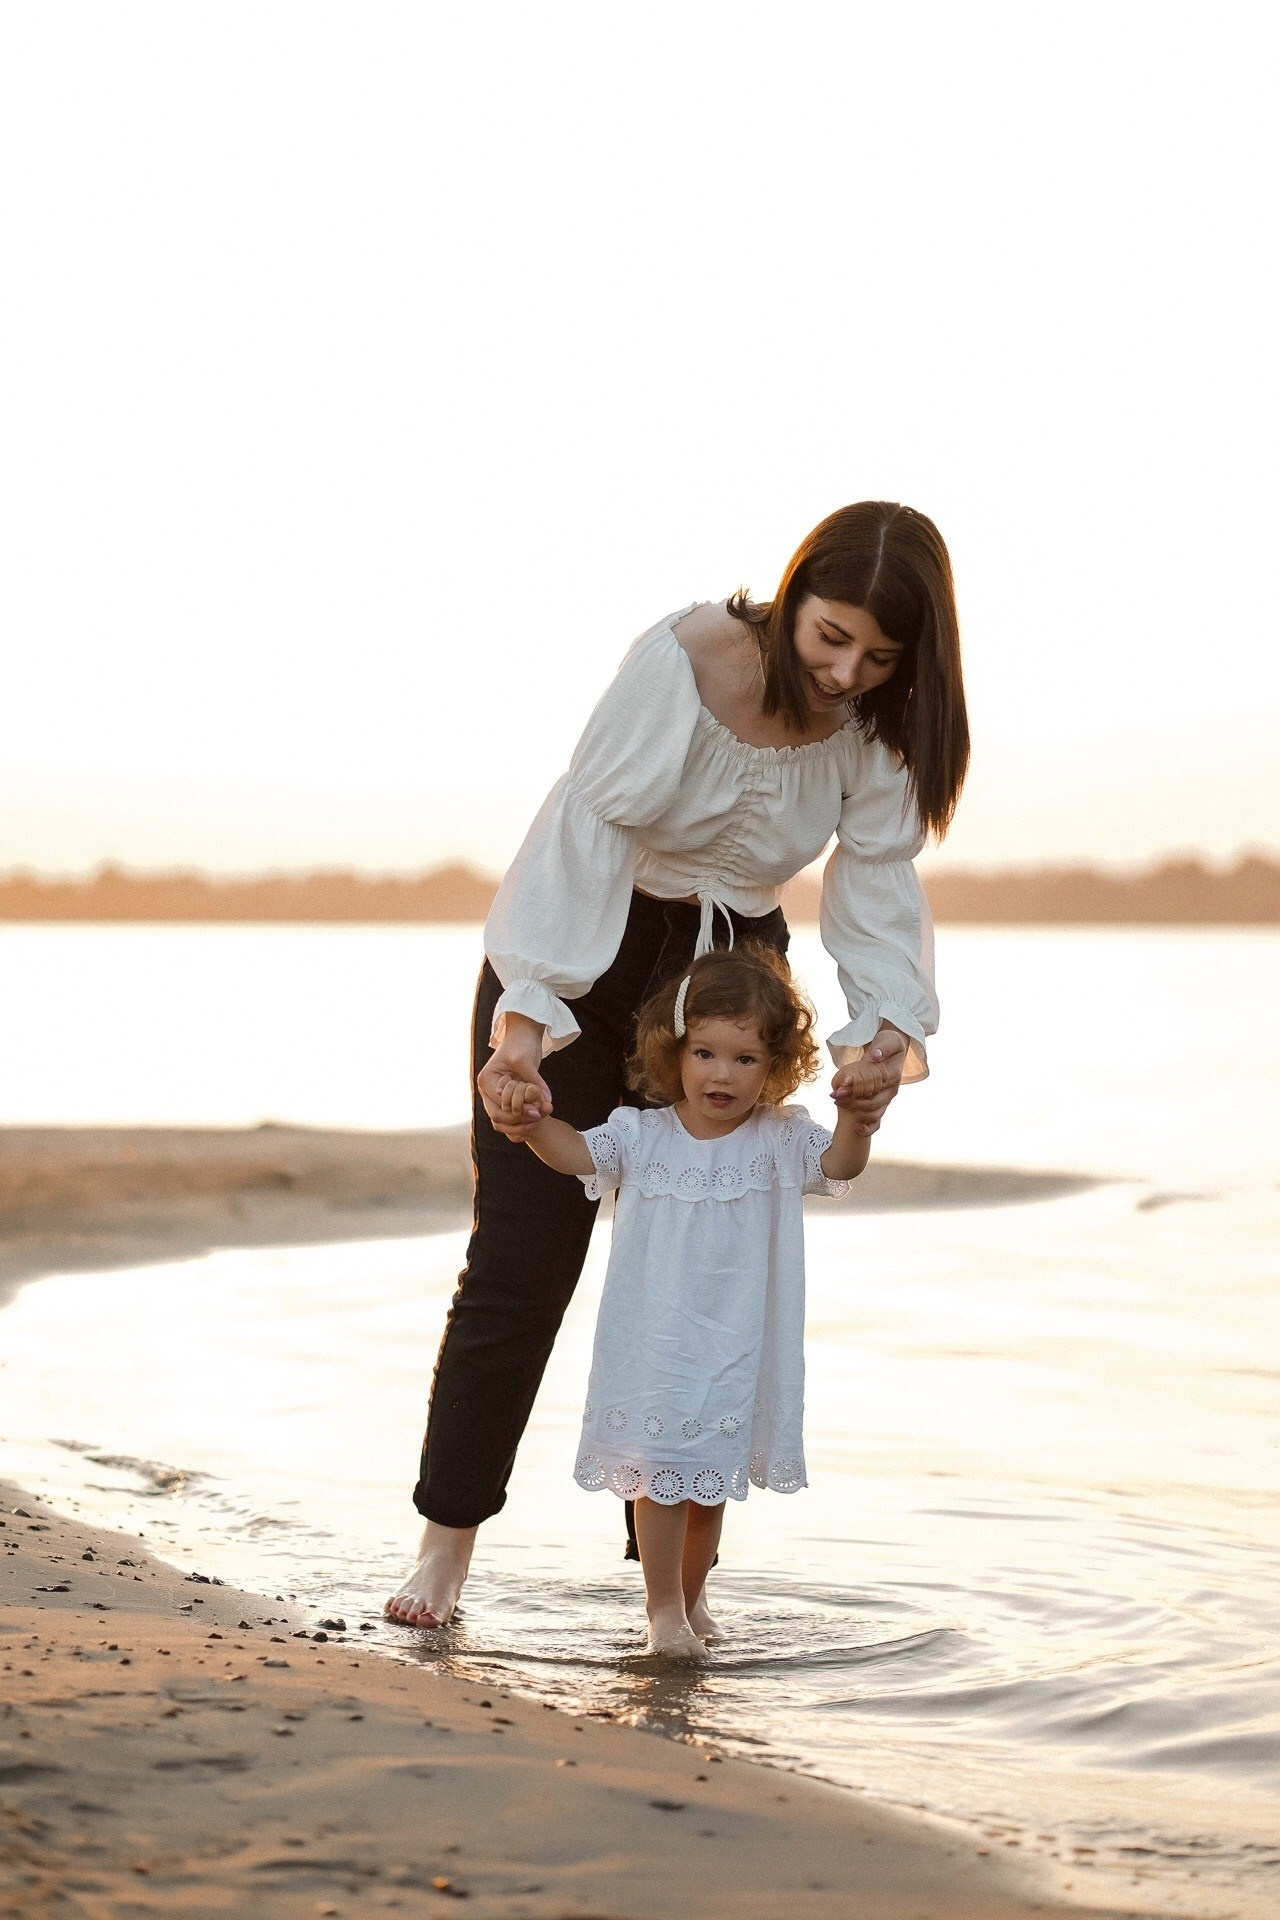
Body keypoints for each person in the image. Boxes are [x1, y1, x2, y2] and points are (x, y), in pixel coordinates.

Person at [386, 499, 968, 1627]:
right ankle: (444, 1546)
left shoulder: (875, 728)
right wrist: (524, 1028)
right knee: (522, 1261)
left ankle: (667, 1597)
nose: (847, 673)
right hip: (587, 955)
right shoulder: (686, 657)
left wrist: (880, 1035)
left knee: (702, 1277)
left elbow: (876, 883)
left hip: (732, 981)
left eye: (879, 656)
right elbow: (583, 831)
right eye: (830, 637)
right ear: (794, 593)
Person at [505, 945, 880, 1657]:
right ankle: (662, 1612)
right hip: (658, 1345)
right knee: (659, 1478)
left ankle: (691, 1597)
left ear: (775, 1066)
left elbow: (840, 1166)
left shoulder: (780, 1138)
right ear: (674, 1051)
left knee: (708, 1489)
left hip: (736, 1346)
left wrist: (857, 1123)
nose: (722, 1074)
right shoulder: (642, 1135)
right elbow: (577, 1154)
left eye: (746, 1059)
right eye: (704, 1053)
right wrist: (530, 1128)